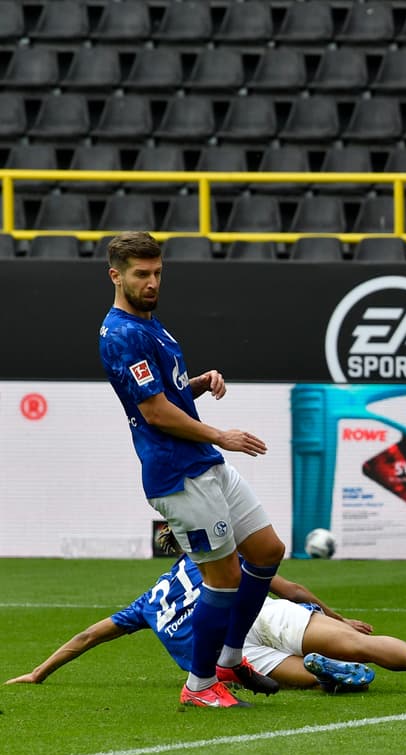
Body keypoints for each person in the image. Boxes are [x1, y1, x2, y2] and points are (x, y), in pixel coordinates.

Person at [100, 231, 288, 708]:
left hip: (203, 461)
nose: (152, 281)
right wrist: (222, 434)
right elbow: (156, 413)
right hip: (176, 474)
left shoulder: (151, 325)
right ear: (115, 275)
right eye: (141, 274)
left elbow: (169, 396)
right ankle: (200, 685)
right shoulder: (122, 334)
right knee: (223, 578)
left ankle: (230, 659)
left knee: (267, 550)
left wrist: (198, 384)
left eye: (158, 272)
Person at [6, 542, 406, 697]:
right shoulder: (209, 562)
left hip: (242, 655)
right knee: (353, 647)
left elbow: (89, 635)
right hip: (257, 621)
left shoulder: (145, 602)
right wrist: (336, 615)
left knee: (300, 680)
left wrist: (40, 671)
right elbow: (285, 586)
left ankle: (324, 673)